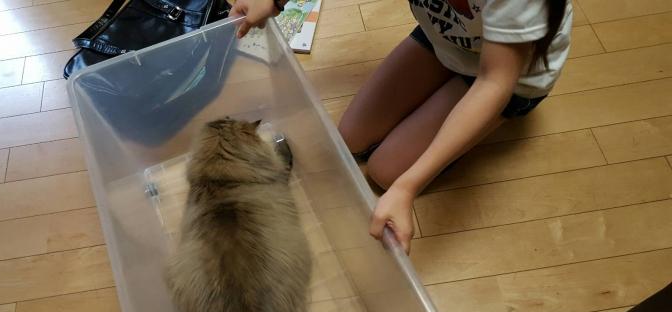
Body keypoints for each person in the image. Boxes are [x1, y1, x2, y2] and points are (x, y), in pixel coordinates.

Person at [230, 0, 573, 254]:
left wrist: (407, 188)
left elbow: (494, 83)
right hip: (447, 36)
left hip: (508, 75)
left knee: (386, 172)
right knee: (350, 138)